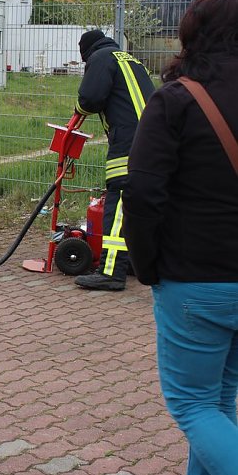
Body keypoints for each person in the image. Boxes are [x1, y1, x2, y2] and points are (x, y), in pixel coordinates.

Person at [124, 0, 238, 475]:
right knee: (219, 403)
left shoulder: (176, 99)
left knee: (192, 404)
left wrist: (146, 265)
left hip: (194, 279)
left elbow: (143, 193)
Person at [71, 29, 155, 291]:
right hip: (156, 139)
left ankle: (111, 272)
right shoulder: (131, 59)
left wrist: (77, 109)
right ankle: (137, 263)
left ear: (86, 52)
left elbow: (90, 99)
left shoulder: (100, 58)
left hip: (130, 142)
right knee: (145, 204)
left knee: (119, 200)